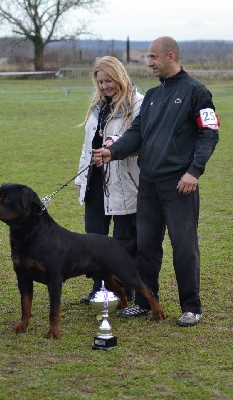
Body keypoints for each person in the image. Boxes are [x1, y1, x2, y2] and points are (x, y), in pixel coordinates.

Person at [93, 37, 219, 326]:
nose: (148, 62)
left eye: (152, 57)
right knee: (147, 246)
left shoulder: (196, 92)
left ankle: (191, 306)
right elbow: (136, 134)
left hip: (179, 184)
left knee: (184, 246)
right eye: (147, 57)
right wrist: (112, 152)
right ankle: (145, 302)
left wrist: (194, 172)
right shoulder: (151, 95)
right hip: (147, 184)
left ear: (170, 56)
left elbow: (209, 134)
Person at [75, 56, 144, 304]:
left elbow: (138, 139)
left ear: (120, 76)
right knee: (94, 239)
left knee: (124, 240)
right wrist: (81, 179)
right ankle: (100, 288)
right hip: (95, 180)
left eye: (109, 80)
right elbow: (87, 146)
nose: (105, 86)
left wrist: (115, 144)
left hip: (124, 181)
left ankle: (128, 287)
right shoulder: (97, 105)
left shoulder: (138, 103)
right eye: (100, 81)